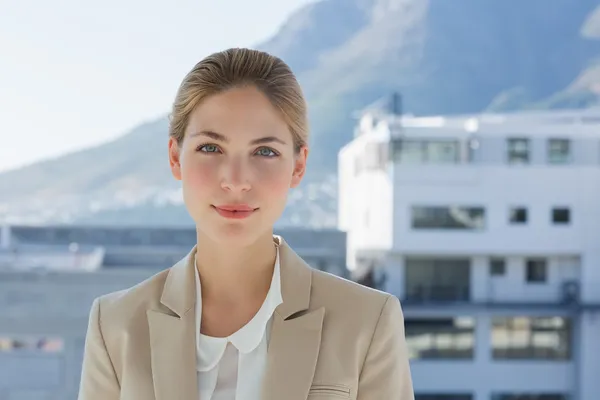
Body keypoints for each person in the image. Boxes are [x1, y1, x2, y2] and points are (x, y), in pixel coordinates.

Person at [77, 48, 414, 400]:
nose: (236, 181)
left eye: (264, 151)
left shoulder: (367, 323)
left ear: (298, 166)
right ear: (175, 158)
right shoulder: (116, 327)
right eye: (211, 148)